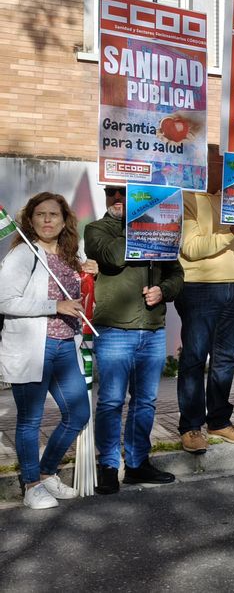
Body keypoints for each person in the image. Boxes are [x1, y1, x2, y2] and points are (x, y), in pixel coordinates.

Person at [85, 186, 184, 493]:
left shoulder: (160, 229)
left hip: (152, 330)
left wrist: (163, 291)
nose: (117, 199)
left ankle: (138, 464)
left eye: (125, 194)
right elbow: (113, 258)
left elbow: (177, 274)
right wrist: (143, 224)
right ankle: (109, 465)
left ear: (138, 197)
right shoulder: (96, 229)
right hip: (115, 329)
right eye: (112, 194)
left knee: (146, 401)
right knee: (112, 401)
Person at [0, 193, 92, 509]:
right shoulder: (24, 254)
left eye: (54, 214)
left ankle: (47, 471)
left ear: (65, 220)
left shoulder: (70, 256)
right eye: (41, 214)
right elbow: (4, 300)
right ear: (31, 220)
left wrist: (90, 274)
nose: (48, 220)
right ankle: (32, 484)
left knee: (78, 412)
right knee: (30, 420)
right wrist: (55, 305)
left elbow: (81, 300)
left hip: (66, 346)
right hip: (32, 348)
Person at [176, 145, 234, 452]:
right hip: (199, 289)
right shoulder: (186, 197)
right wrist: (229, 232)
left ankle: (220, 422)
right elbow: (191, 248)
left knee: (225, 360)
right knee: (195, 359)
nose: (226, 172)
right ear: (202, 165)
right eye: (219, 165)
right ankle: (191, 427)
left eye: (227, 166)